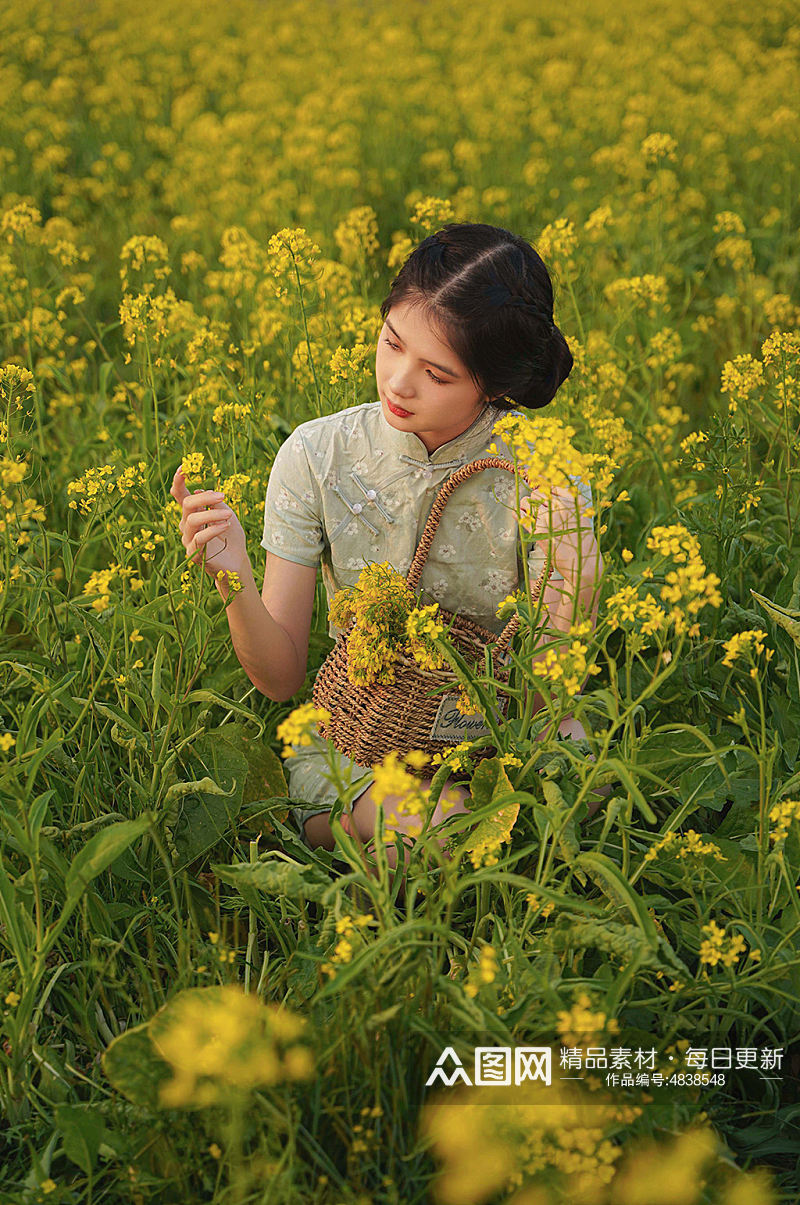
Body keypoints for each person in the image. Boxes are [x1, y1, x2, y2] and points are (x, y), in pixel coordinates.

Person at [170, 222, 605, 873]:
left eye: (435, 373)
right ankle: (390, 841)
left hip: (494, 743)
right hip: (357, 746)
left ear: (492, 386)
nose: (399, 382)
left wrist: (574, 568)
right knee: (446, 824)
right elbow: (280, 676)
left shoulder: (543, 476)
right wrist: (231, 574)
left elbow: (547, 701)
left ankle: (414, 855)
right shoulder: (317, 456)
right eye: (390, 343)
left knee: (583, 776)